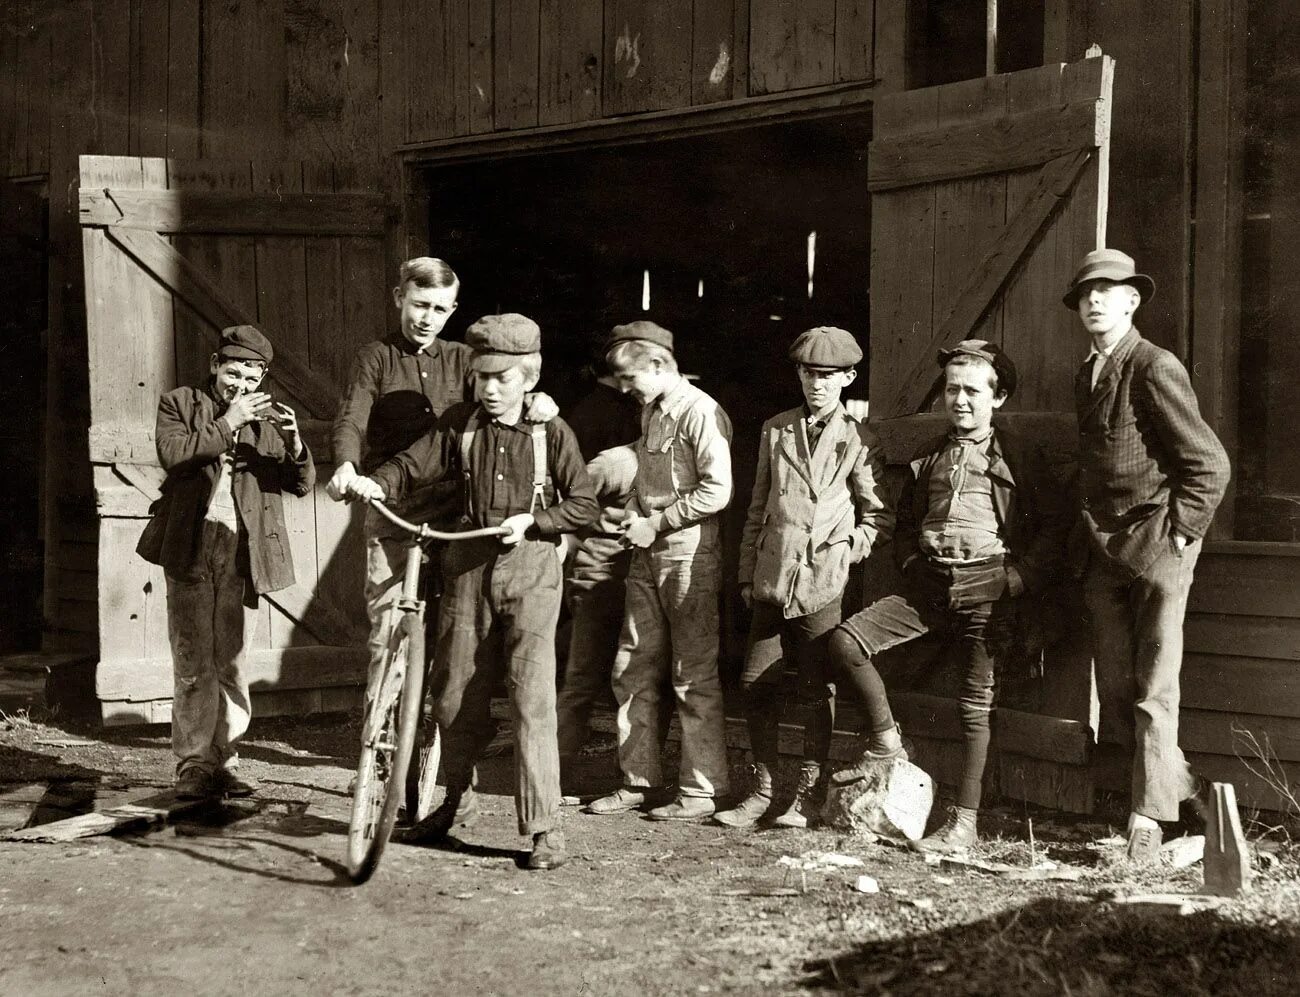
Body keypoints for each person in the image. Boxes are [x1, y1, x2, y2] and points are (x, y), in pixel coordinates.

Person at [340, 313, 598, 871]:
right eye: (482, 377)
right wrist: (372, 481)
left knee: (531, 698)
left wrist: (538, 522)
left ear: (529, 376)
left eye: (503, 378)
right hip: (467, 568)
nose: (491, 388)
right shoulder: (460, 423)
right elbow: (411, 466)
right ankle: (456, 805)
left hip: (529, 570)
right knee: (454, 695)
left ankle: (544, 830)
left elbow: (584, 504)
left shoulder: (550, 431)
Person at [827, 340, 1068, 853]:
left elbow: (1055, 529)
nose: (959, 399)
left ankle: (964, 823)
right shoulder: (929, 456)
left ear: (997, 398)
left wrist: (1016, 580)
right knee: (846, 643)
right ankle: (889, 742)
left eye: (972, 391)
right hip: (930, 589)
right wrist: (915, 565)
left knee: (973, 706)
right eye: (952, 389)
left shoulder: (1020, 455)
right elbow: (908, 524)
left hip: (988, 589)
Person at [1065, 249, 1230, 863]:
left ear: (1132, 300)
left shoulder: (1155, 366)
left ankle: (1146, 818)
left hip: (1158, 542)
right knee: (1114, 681)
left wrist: (1182, 532)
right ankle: (1186, 799)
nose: (1095, 301)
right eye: (1086, 294)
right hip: (1105, 549)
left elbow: (1209, 465)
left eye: (1108, 291)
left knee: (1154, 687)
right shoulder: (1086, 372)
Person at [327, 257, 555, 696]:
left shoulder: (464, 359)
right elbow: (352, 418)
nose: (427, 318)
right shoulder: (376, 358)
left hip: (456, 513)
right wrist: (346, 466)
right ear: (399, 298)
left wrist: (539, 400)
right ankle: (383, 745)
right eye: (420, 304)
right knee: (389, 628)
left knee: (458, 628)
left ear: (453, 311)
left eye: (439, 309)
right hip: (394, 508)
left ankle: (440, 734)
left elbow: (503, 397)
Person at [714, 326, 893, 830]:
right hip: (772, 576)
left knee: (815, 688)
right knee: (754, 683)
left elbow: (877, 516)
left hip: (820, 582)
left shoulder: (859, 439)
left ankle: (807, 796)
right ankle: (763, 789)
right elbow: (756, 508)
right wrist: (748, 573)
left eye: (828, 376)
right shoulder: (776, 429)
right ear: (797, 374)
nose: (816, 384)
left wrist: (845, 552)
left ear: (848, 378)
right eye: (808, 374)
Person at [137, 325, 315, 799]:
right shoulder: (179, 402)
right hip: (191, 545)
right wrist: (230, 421)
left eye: (250, 379)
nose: (240, 386)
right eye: (232, 373)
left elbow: (299, 483)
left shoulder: (268, 417)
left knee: (232, 661)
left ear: (262, 378)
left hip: (243, 551)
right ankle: (195, 764)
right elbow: (174, 454)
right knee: (193, 659)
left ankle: (227, 760)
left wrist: (295, 444)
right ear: (215, 364)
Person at [587, 321, 733, 821]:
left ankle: (700, 791)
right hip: (647, 552)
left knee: (692, 674)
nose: (625, 389)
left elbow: (718, 490)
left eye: (630, 378)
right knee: (633, 666)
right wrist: (632, 511)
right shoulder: (652, 410)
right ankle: (638, 781)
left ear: (657, 365)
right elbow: (649, 479)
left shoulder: (701, 412)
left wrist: (659, 522)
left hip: (689, 556)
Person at [555, 443, 640, 767]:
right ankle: (556, 773)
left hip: (640, 584)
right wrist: (574, 544)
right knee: (582, 680)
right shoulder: (616, 462)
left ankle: (631, 776)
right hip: (598, 583)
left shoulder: (672, 462)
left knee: (634, 680)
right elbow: (565, 505)